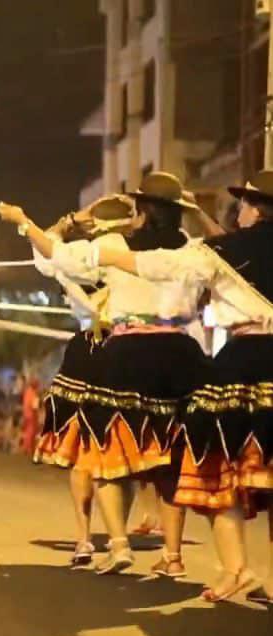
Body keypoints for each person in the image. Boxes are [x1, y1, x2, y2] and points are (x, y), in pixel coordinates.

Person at [6, 171, 208, 577]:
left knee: (108, 452)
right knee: (170, 459)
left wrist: (24, 221)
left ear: (142, 211)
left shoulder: (114, 246)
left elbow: (54, 256)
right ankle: (172, 557)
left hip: (129, 351)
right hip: (182, 353)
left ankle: (118, 545)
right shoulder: (194, 250)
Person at [89, 169, 273, 602]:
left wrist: (102, 253)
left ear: (252, 208)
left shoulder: (223, 251)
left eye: (242, 204)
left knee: (218, 471)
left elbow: (165, 265)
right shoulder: (226, 247)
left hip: (246, 362)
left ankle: (236, 569)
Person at [2, 194, 129, 568]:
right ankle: (126, 538)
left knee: (81, 449)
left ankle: (84, 538)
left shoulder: (82, 256)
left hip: (88, 350)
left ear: (94, 225)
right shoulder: (137, 255)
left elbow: (46, 254)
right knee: (126, 446)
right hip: (127, 348)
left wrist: (64, 220)